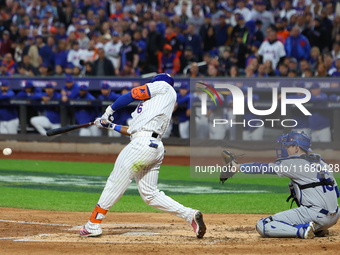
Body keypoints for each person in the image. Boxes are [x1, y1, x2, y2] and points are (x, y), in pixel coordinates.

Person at [79, 73, 206, 238]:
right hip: (153, 147)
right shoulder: (150, 106)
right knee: (150, 194)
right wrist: (109, 125)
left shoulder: (163, 86)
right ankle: (190, 215)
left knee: (115, 181)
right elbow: (133, 131)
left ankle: (93, 224)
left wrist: (109, 110)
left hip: (142, 146)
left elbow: (131, 94)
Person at [222, 131, 339, 239]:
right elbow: (336, 192)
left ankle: (302, 230)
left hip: (316, 215)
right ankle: (319, 229)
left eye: (288, 146)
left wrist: (237, 167)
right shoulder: (320, 161)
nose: (285, 149)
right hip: (334, 216)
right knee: (294, 185)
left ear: (297, 148)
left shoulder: (293, 163)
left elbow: (263, 168)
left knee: (263, 224)